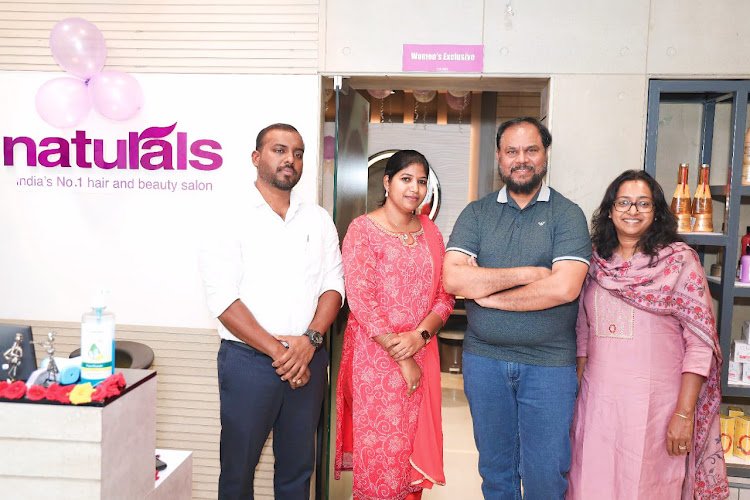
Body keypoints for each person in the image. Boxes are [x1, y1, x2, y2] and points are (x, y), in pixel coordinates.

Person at [442, 117, 591, 499]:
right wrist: (529, 273)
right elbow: (454, 279)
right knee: (496, 474)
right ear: (499, 156)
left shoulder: (567, 214)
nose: (521, 159)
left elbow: (564, 288)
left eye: (531, 150)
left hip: (549, 365)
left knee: (545, 475)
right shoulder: (477, 214)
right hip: (485, 362)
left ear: (545, 155)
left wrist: (488, 295)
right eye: (512, 151)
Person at [199, 123, 344, 499]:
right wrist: (282, 353)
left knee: (298, 471)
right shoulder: (227, 216)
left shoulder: (318, 219)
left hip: (309, 358)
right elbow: (223, 300)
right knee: (238, 471)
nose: (290, 159)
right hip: (248, 362)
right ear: (256, 157)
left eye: (298, 153)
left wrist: (310, 342)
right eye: (279, 150)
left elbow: (333, 287)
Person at [567, 170, 728, 499]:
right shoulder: (594, 262)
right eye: (623, 202)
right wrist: (576, 400)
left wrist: (684, 414)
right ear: (610, 210)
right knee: (589, 484)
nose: (633, 210)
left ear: (656, 212)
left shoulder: (679, 262)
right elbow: (582, 331)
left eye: (643, 203)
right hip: (597, 407)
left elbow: (700, 344)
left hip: (656, 411)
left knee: (647, 487)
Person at [334, 150, 455, 500]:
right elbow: (362, 301)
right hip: (375, 361)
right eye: (406, 179)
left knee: (410, 461)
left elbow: (445, 296)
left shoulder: (431, 232)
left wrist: (420, 336)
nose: (414, 188)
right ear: (387, 182)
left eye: (421, 181)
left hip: (422, 352)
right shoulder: (362, 230)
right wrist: (402, 356)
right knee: (381, 461)